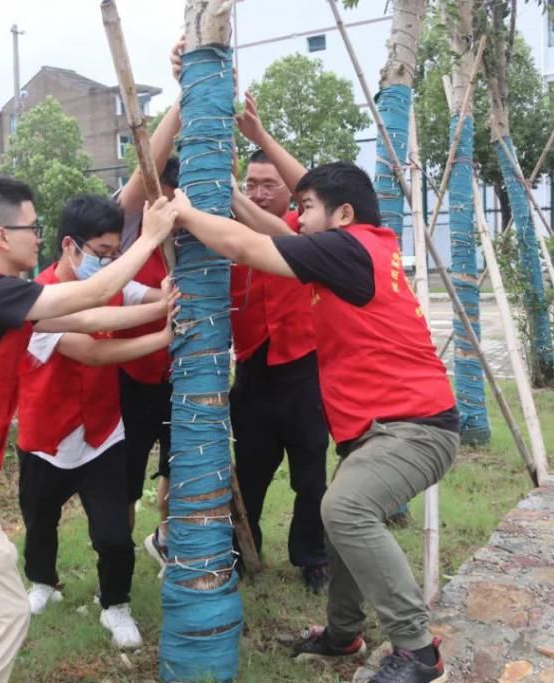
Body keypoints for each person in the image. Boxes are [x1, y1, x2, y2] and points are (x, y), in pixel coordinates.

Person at [170, 158, 459, 683]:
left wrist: (184, 211)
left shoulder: (348, 247)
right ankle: (343, 634)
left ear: (343, 214)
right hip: (389, 428)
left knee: (345, 509)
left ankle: (418, 650)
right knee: (341, 516)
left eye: (305, 209)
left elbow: (247, 246)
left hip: (414, 428)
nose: (296, 220)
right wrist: (250, 161)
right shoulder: (368, 244)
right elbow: (285, 223)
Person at [0, 176, 177, 683]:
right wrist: (150, 236)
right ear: (2, 235)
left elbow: (85, 315)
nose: (38, 237)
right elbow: (96, 291)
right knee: (2, 618)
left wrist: (161, 314)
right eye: (32, 226)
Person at [16, 195, 177, 649]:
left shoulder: (109, 281)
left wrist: (171, 290)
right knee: (39, 523)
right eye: (102, 253)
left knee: (113, 535)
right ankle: (42, 582)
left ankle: (116, 604)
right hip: (47, 438)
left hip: (103, 435)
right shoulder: (35, 301)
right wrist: (163, 331)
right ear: (70, 246)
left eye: (114, 253)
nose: (109, 262)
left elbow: (141, 294)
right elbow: (93, 349)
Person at [228, 95, 331, 593]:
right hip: (252, 371)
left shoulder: (300, 232)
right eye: (251, 185)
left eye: (270, 185)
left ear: (289, 195)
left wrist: (260, 137)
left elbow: (314, 188)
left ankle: (312, 557)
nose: (260, 192)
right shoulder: (223, 238)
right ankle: (242, 553)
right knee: (248, 473)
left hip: (304, 370)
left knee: (310, 474)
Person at [112, 101, 183, 574]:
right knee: (125, 477)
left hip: (182, 374)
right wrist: (180, 103)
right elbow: (144, 174)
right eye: (165, 200)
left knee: (180, 469)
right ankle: (114, 568)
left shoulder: (196, 235)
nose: (172, 212)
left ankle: (166, 542)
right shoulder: (126, 233)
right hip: (132, 375)